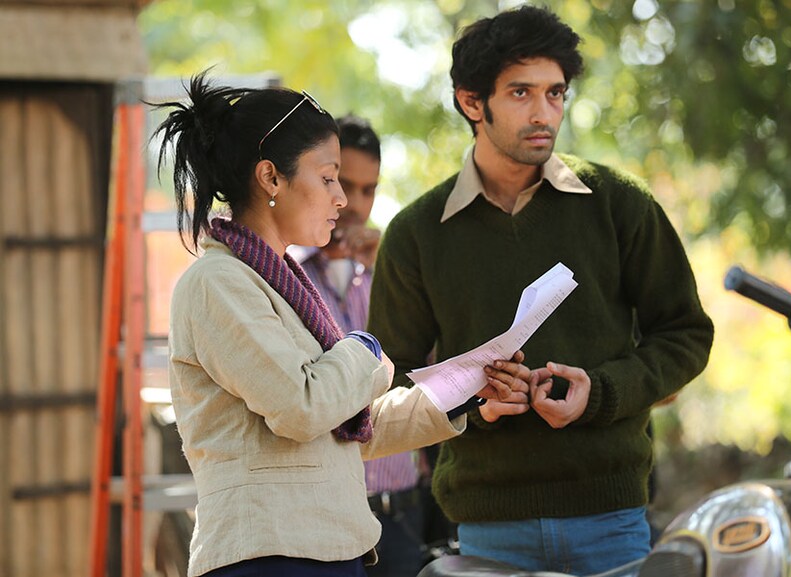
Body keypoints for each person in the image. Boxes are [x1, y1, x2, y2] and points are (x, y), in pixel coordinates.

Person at [367, 5, 714, 575]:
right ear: (471, 102)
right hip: (485, 529)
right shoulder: (416, 234)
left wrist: (599, 392)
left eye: (556, 94)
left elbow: (685, 334)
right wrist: (475, 402)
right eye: (522, 93)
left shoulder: (618, 203)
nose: (544, 113)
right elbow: (389, 384)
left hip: (613, 519)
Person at [153, 72, 527, 577]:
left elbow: (352, 427)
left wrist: (472, 388)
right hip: (270, 559)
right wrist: (365, 346)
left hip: (326, 552)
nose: (342, 200)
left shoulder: (282, 285)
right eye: (329, 178)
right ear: (271, 177)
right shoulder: (216, 281)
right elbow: (304, 406)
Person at [295, 115, 428, 576]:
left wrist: (389, 271)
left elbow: (431, 371)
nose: (354, 204)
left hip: (401, 517)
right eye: (342, 183)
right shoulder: (283, 277)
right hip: (321, 521)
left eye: (369, 189)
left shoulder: (391, 269)